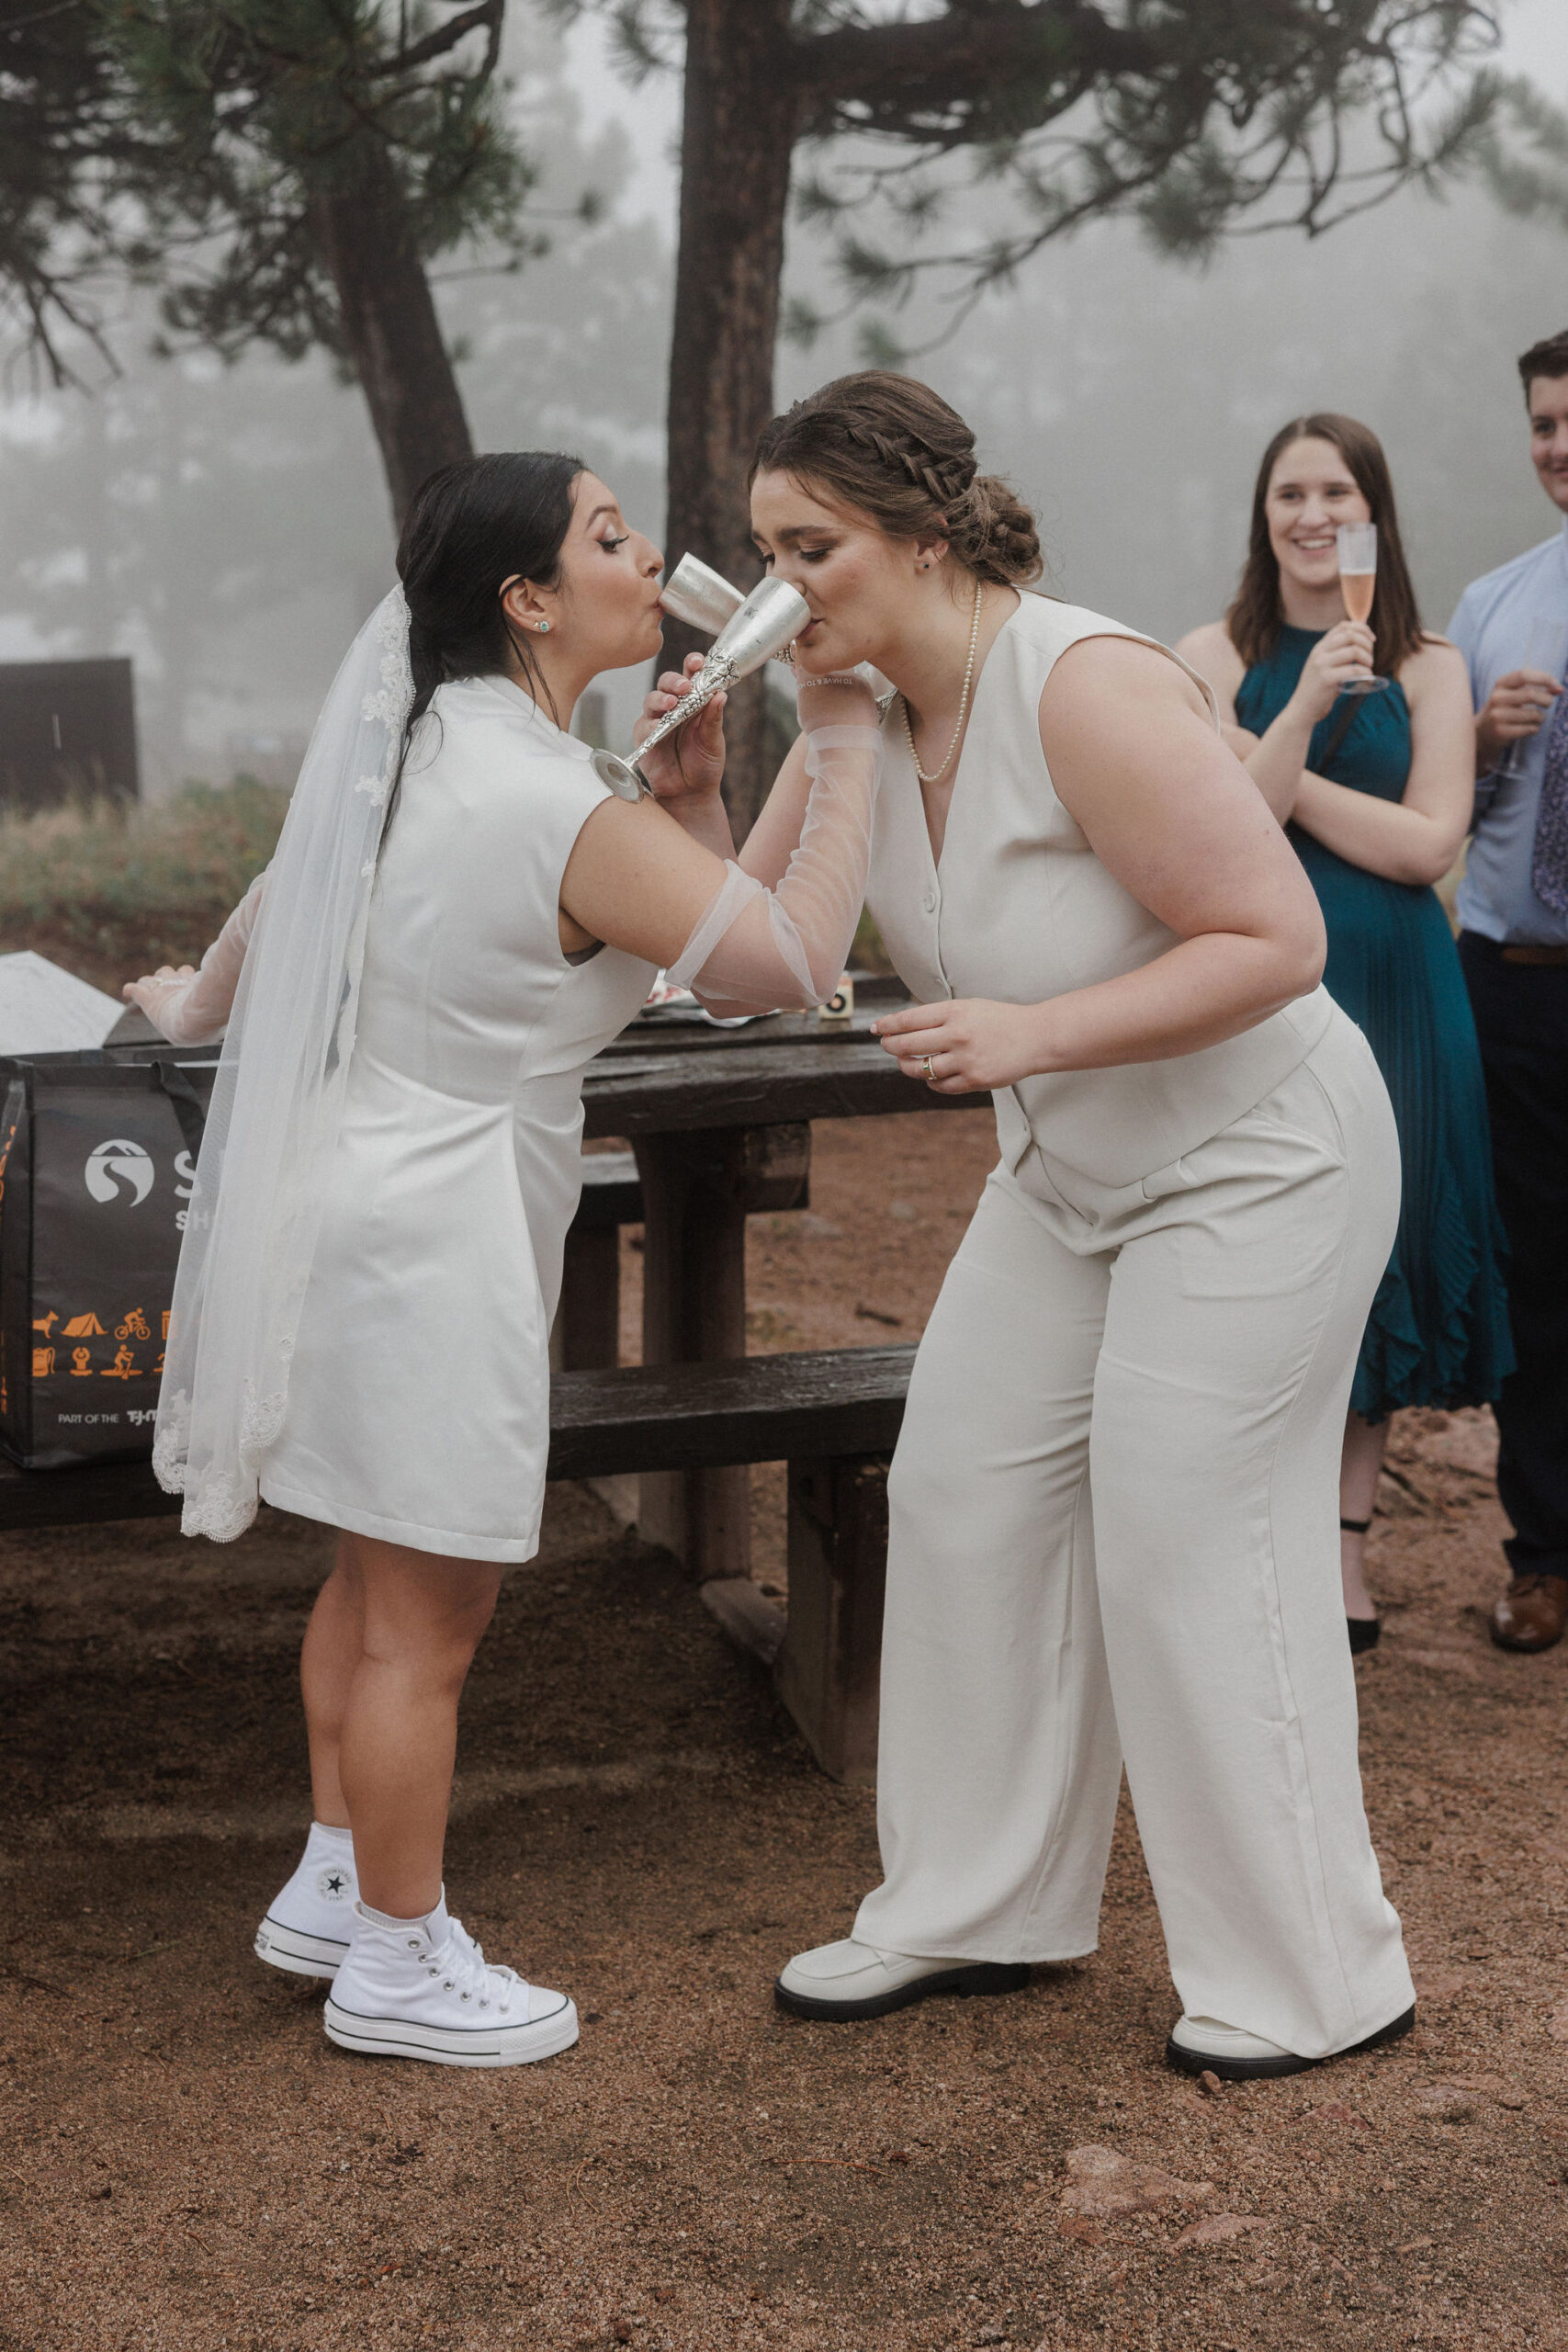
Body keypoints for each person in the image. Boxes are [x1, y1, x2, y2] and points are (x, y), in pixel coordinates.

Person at [644, 370, 1415, 2083]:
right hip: (1069, 1175)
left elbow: (1275, 937)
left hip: (1259, 1159)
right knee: (965, 1489)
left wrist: (1031, 1037)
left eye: (813, 548)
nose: (783, 590)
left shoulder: (1085, 683)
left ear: (924, 538)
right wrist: (705, 790)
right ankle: (978, 1901)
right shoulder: (861, 708)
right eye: (763, 554)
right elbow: (753, 952)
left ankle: (1314, 1974)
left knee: (1183, 1527)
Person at [124, 451, 882, 2068]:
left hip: (360, 1198)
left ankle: (339, 1881)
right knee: (430, 1617)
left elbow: (280, 907)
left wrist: (686, 804)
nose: (649, 556)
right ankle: (400, 1959)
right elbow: (788, 962)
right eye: (609, 536)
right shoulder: (544, 798)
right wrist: (848, 738)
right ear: (526, 597)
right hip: (440, 1226)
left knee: (371, 1570)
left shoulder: (425, 754)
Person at [1177, 414, 1512, 1652]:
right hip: (1259, 986)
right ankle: (1245, 1529)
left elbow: (1430, 846)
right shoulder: (1205, 655)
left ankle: (1342, 1557)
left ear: (1376, 515)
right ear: (1261, 516)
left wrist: (1277, 765)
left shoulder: (1430, 663)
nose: (1314, 517)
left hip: (1402, 991)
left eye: (1338, 495)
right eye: (1289, 494)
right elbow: (1224, 831)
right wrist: (1306, 705)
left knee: (1383, 1244)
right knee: (1269, 1245)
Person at [1448, 330, 1568, 1653]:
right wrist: (1481, 740)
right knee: (1539, 1278)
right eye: (1544, 423)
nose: (1559, 444)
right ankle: (1546, 1555)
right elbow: (1441, 813)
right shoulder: (1489, 609)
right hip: (1519, 986)